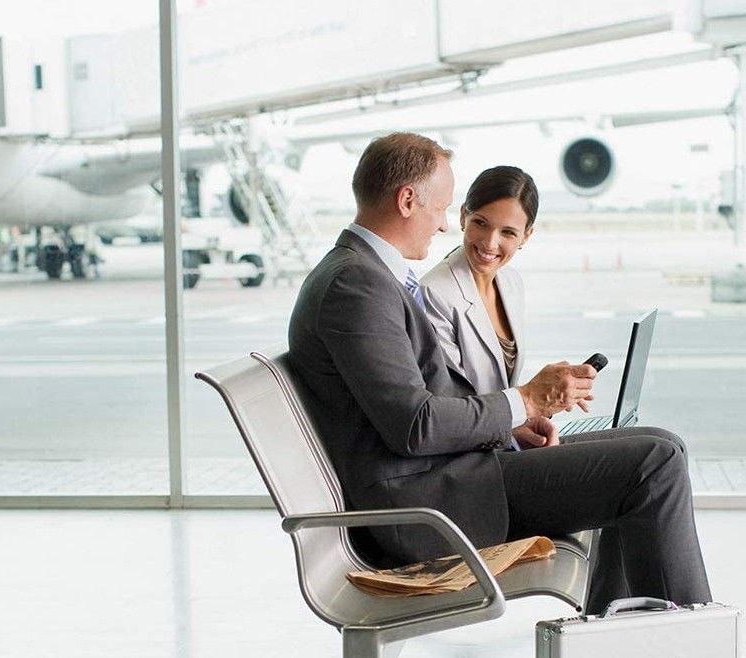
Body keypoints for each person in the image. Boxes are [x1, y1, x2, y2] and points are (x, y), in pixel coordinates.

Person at [287, 132, 711, 613]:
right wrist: (525, 400)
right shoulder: (357, 285)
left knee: (662, 443)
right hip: (425, 506)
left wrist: (508, 429)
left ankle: (615, 635)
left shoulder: (366, 275)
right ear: (408, 200)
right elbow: (415, 425)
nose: (445, 226)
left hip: (450, 474)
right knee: (652, 464)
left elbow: (424, 405)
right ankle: (691, 638)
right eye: (443, 209)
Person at [421, 166, 537, 394]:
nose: (490, 243)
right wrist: (532, 398)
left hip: (503, 427)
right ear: (464, 215)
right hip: (467, 429)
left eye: (508, 233)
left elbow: (500, 387)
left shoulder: (512, 282)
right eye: (481, 223)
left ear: (526, 236)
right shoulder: (432, 293)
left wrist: (548, 398)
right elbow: (453, 400)